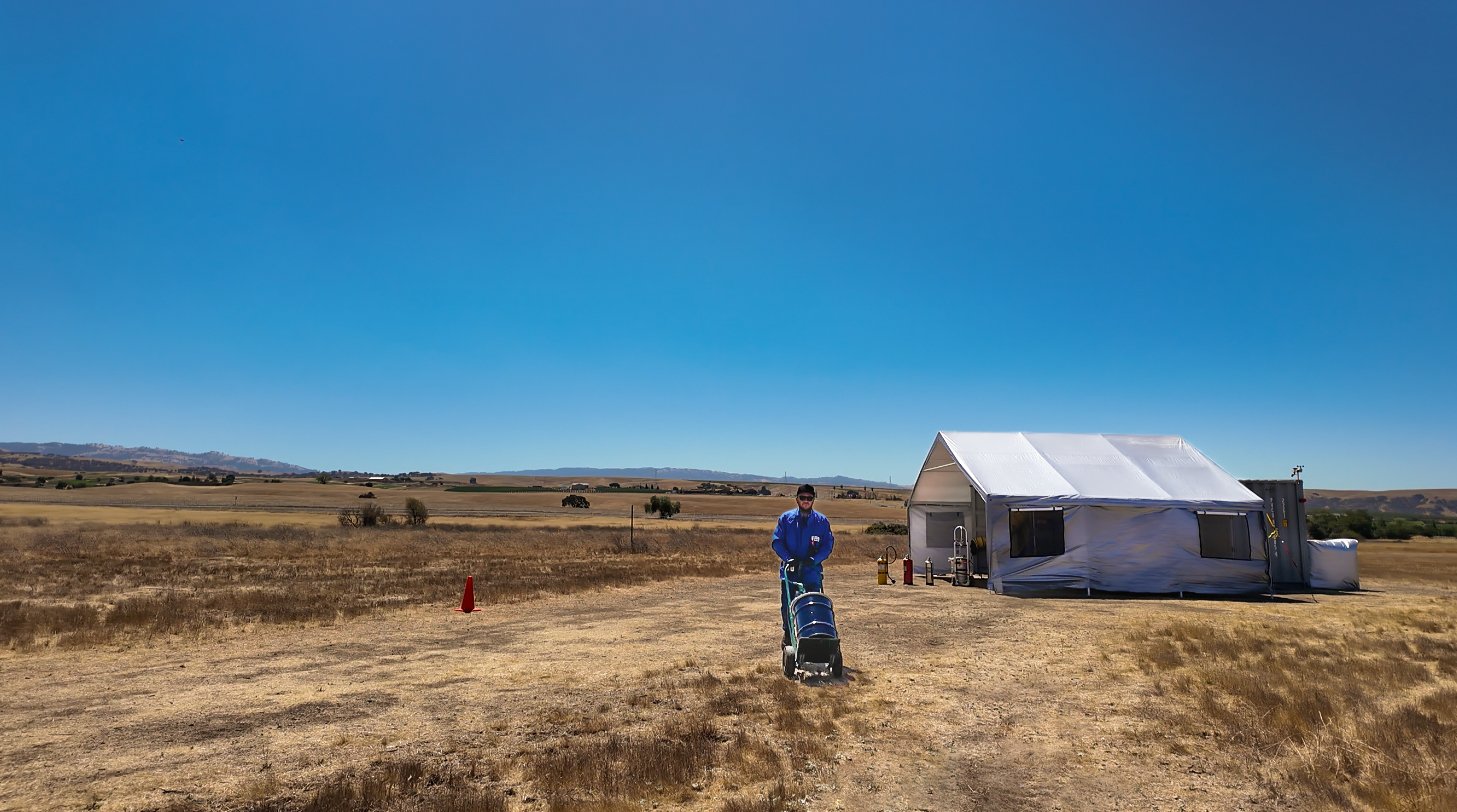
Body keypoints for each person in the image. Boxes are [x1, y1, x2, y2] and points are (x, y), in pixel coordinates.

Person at [772, 484, 835, 645]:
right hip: (790, 570)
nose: (806, 501)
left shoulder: (821, 521)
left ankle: (814, 635)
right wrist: (788, 558)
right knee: (788, 604)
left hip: (811, 570)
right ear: (797, 500)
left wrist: (814, 560)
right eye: (802, 498)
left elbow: (827, 545)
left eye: (809, 498)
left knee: (814, 603)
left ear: (813, 500)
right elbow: (777, 541)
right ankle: (788, 633)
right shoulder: (786, 519)